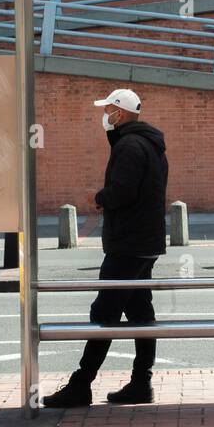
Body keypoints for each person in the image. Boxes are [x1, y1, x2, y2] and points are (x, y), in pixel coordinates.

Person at [43, 88, 168, 408]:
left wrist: (98, 199)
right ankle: (141, 383)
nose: (105, 115)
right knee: (140, 312)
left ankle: (81, 385)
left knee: (105, 312)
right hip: (145, 241)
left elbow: (123, 191)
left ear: (121, 114)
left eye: (109, 109)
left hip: (128, 243)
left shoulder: (129, 145)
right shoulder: (150, 144)